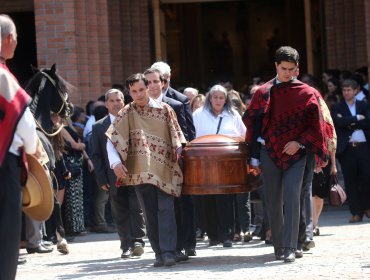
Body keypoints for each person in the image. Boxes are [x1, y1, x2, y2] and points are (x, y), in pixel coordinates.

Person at [243, 46, 329, 263]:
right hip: (267, 152)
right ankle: (279, 245)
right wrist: (252, 155)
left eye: (292, 69)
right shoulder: (263, 92)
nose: (288, 73)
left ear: (297, 68)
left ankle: (291, 246)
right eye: (284, 69)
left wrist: (299, 143)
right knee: (272, 200)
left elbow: (315, 127)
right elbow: (252, 124)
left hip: (296, 155)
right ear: (276, 66)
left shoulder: (307, 93)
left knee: (292, 196)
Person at [106, 73, 186, 267]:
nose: (139, 94)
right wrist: (115, 163)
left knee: (166, 209)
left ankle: (168, 252)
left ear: (148, 87)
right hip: (139, 171)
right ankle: (159, 253)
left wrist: (178, 152)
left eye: (141, 89)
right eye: (134, 91)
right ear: (129, 92)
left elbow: (177, 137)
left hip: (165, 169)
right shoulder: (126, 113)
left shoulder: (165, 109)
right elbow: (111, 139)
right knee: (149, 213)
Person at [0, 14, 41, 279]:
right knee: (5, 236)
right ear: (9, 39)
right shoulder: (4, 77)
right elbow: (26, 129)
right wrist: (34, 149)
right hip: (4, 168)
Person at [91, 88, 145, 258]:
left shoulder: (134, 120)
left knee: (136, 208)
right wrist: (101, 178)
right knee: (120, 210)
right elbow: (96, 155)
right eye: (112, 101)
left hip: (134, 172)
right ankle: (126, 245)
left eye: (119, 100)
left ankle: (138, 241)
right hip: (112, 176)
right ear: (106, 104)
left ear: (124, 102)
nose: (116, 104)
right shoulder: (98, 126)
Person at [192, 84, 246, 247]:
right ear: (209, 98)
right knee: (208, 199)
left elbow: (243, 135)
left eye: (221, 97)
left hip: (227, 163)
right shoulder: (199, 114)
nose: (218, 100)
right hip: (205, 163)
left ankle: (227, 235)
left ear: (226, 99)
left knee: (226, 199)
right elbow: (191, 136)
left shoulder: (233, 114)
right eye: (215, 97)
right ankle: (213, 235)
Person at [330, 79, 370, 223]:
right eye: (344, 90)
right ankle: (356, 212)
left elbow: (367, 122)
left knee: (366, 177)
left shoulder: (364, 105)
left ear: (356, 90)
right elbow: (338, 123)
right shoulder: (337, 107)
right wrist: (356, 119)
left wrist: (348, 122)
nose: (346, 92)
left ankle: (367, 206)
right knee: (350, 180)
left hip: (364, 147)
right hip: (348, 149)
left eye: (349, 90)